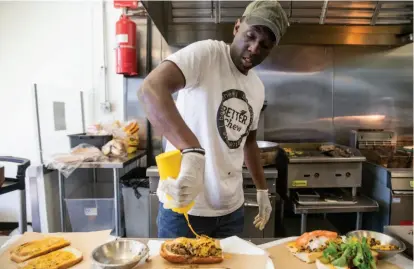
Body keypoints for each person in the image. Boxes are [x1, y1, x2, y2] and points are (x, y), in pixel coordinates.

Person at [138, 0, 289, 238]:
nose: (254, 48)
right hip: (185, 208)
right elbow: (151, 89)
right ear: (237, 27)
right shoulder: (207, 55)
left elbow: (248, 142)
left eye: (265, 45)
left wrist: (262, 190)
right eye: (250, 36)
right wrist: (192, 150)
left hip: (231, 212)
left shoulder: (257, 88)